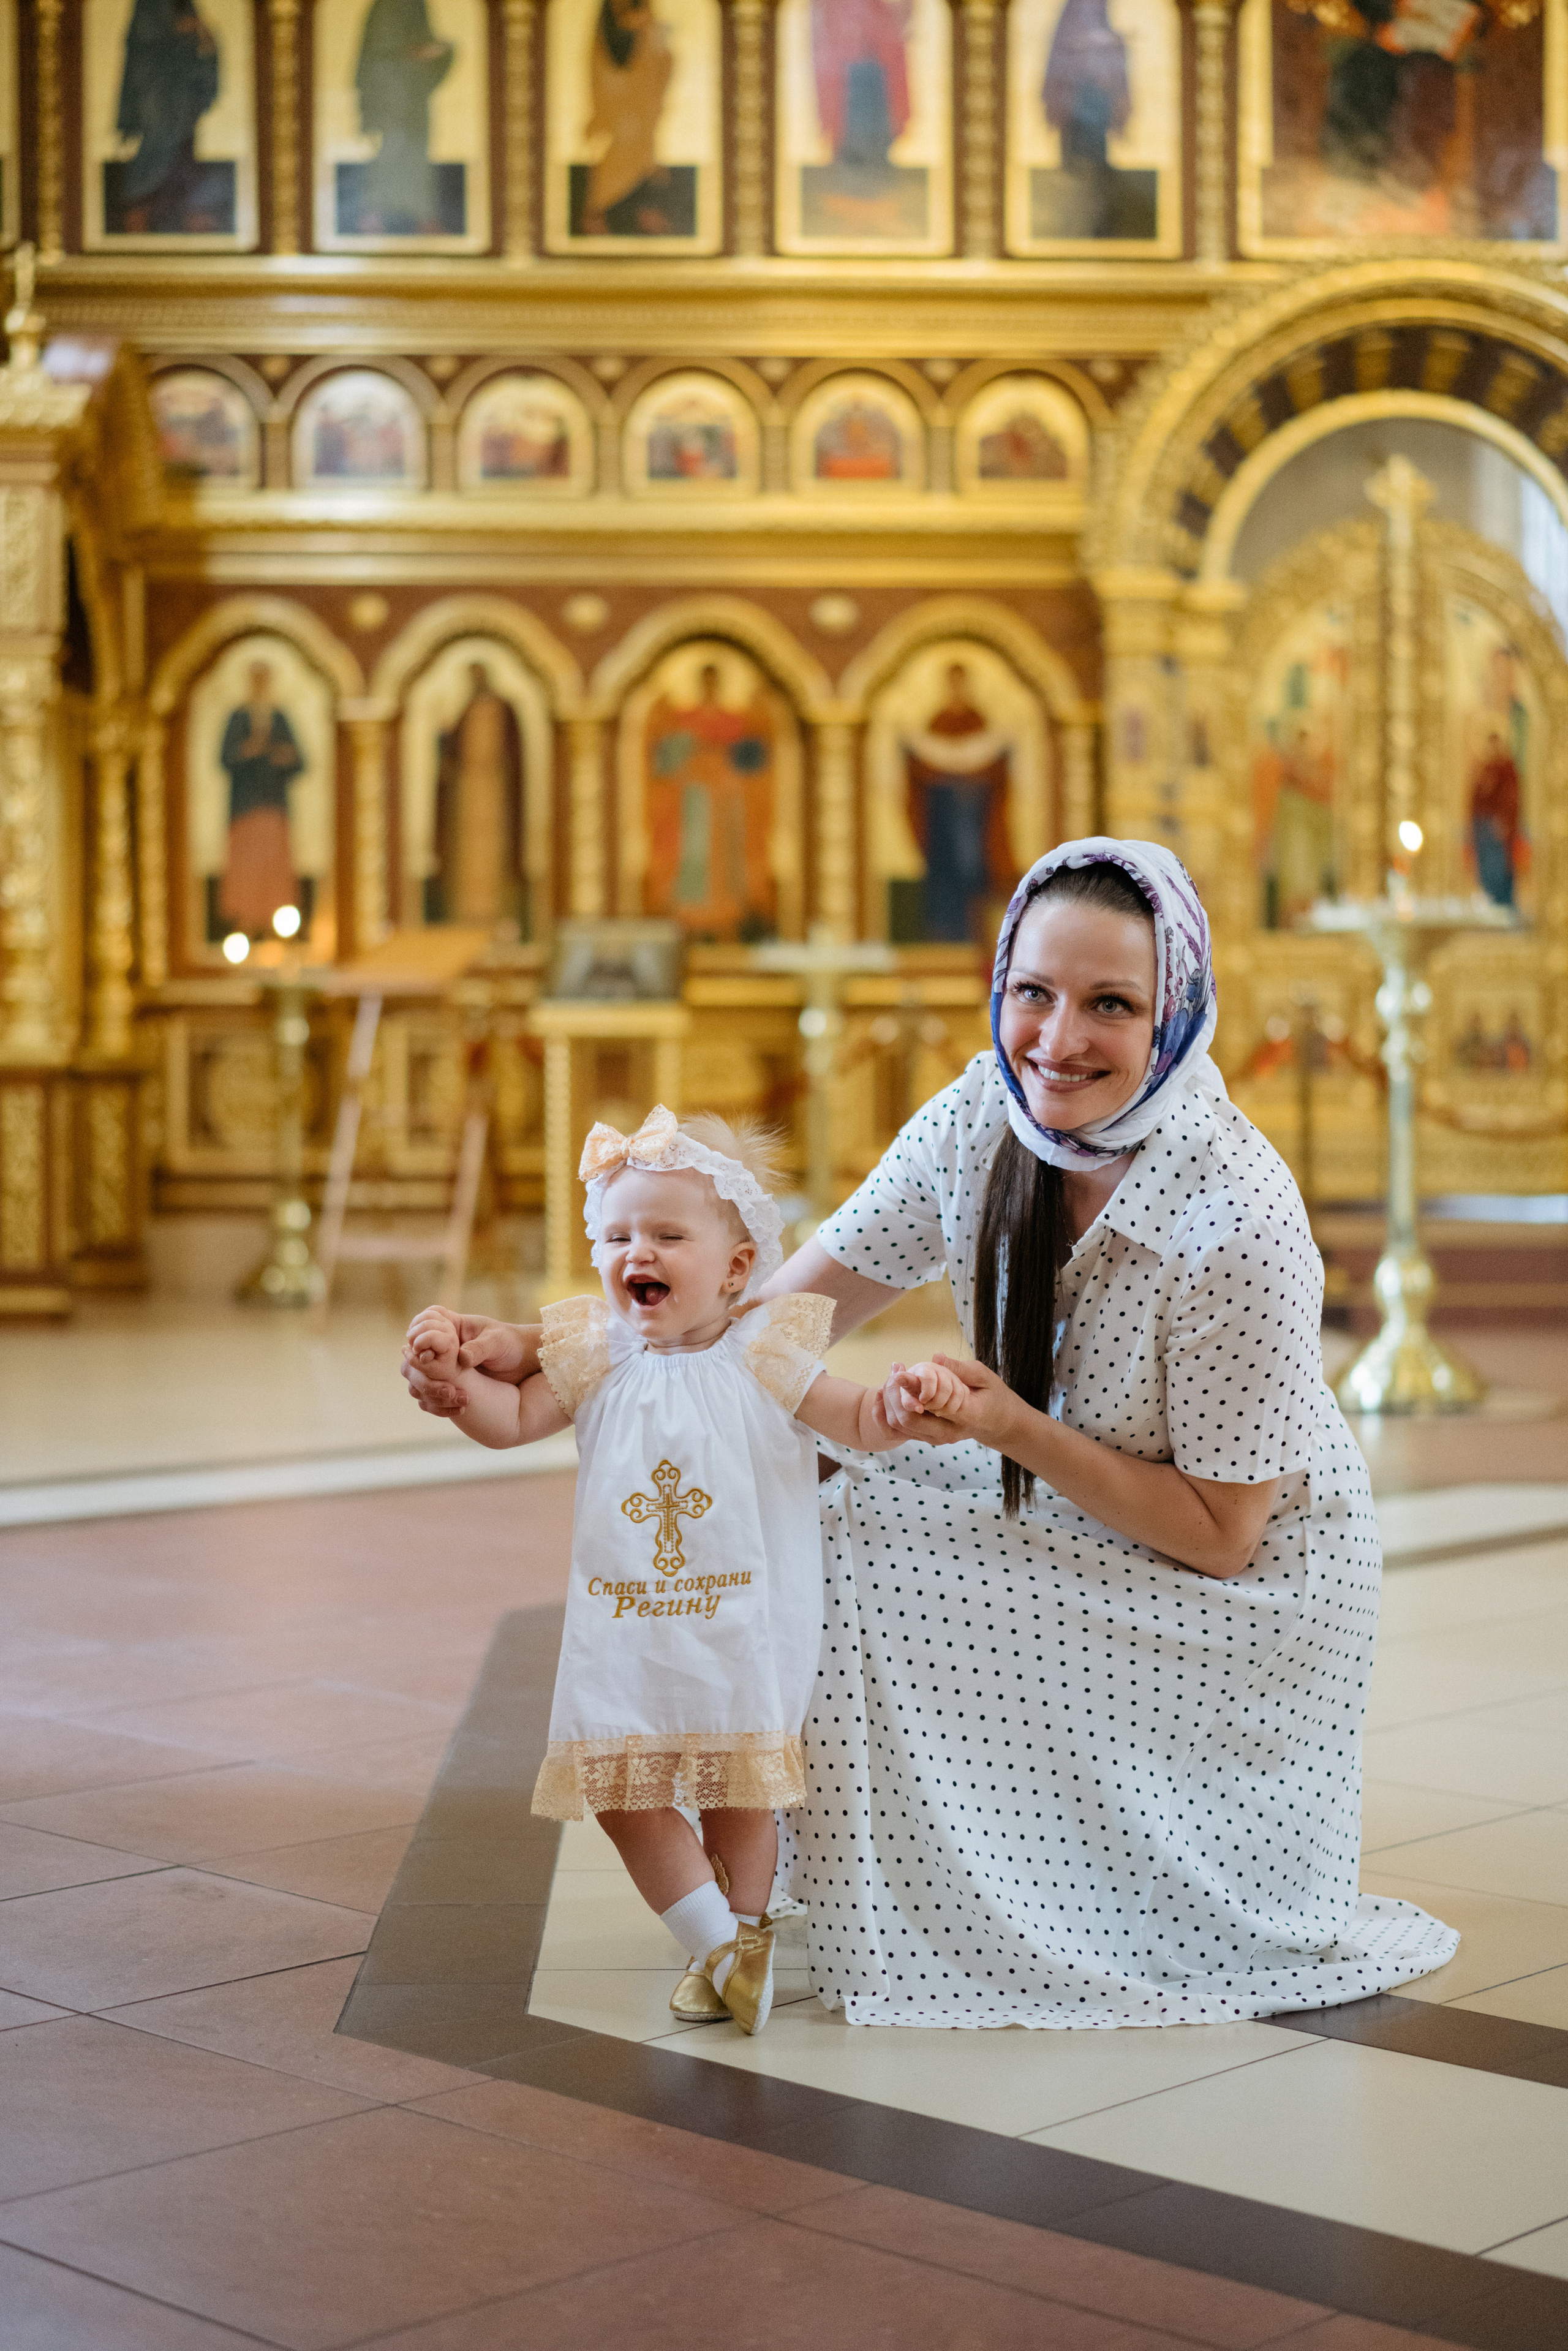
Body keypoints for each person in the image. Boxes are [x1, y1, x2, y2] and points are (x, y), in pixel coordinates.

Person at [404, 840, 1459, 2026]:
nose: (1055, 1039)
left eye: (1109, 1003)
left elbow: (1221, 1533)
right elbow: (755, 1325)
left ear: (1175, 1013)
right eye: (1032, 992)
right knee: (808, 1506)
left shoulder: (1234, 1224)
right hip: (1065, 1496)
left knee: (854, 1557)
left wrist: (1004, 1422)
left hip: (1240, 1594)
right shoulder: (976, 1117)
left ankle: (926, 1893)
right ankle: (788, 1898)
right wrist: (553, 1346)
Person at [403, 1105, 912, 2035]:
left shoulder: (768, 1350)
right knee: (621, 1795)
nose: (638, 1250)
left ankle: (737, 1941)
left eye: (669, 1234)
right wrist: (452, 1382)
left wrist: (907, 1403)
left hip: (745, 1624)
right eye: (619, 1234)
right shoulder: (595, 1351)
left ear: (736, 1266)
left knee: (737, 1790)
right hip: (627, 1632)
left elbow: (858, 1419)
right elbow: (508, 1419)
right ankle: (721, 1945)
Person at [113, 0, 222, 235]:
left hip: (184, 96)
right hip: (158, 95)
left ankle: (188, 217)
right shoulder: (149, 7)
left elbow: (204, 41)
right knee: (157, 151)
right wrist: (177, 28)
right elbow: (144, 42)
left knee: (182, 156)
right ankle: (138, 214)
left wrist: (202, 36)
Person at [217, 663, 304, 937]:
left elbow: (299, 760)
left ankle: (275, 925)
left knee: (273, 866)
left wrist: (279, 755)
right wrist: (249, 750)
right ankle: (246, 923)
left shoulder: (279, 718)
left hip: (273, 806)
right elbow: (225, 758)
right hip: (245, 807)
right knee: (246, 867)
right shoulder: (239, 717)